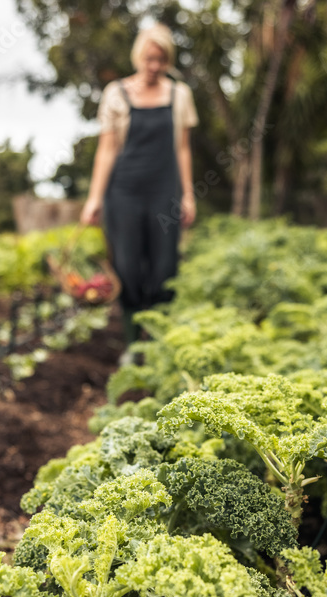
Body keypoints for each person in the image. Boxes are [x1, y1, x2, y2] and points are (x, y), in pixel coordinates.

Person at [80, 23, 199, 366]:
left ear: (168, 60)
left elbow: (183, 150)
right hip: (124, 194)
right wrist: (94, 198)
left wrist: (188, 195)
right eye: (149, 58)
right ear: (138, 56)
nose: (154, 66)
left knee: (164, 269)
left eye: (161, 60)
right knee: (128, 268)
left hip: (164, 193)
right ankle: (133, 346)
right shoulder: (116, 93)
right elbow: (106, 149)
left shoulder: (179, 95)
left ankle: (159, 346)